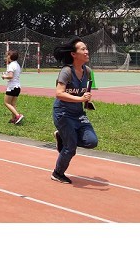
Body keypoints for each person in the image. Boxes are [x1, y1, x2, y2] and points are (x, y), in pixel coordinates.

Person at [51, 36, 98, 184]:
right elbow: (59, 93)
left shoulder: (87, 71)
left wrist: (87, 101)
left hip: (78, 113)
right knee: (70, 147)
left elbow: (84, 92)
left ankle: (62, 136)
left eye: (86, 48)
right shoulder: (66, 71)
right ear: (73, 54)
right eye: (83, 49)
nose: (87, 51)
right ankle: (57, 173)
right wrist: (80, 99)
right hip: (63, 113)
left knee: (92, 141)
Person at [1, 50, 23, 124]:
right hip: (17, 87)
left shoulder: (11, 65)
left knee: (6, 103)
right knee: (13, 104)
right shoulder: (17, 65)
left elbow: (10, 76)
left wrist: (4, 76)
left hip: (12, 87)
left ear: (10, 57)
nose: (6, 57)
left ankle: (18, 116)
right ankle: (14, 119)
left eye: (7, 55)